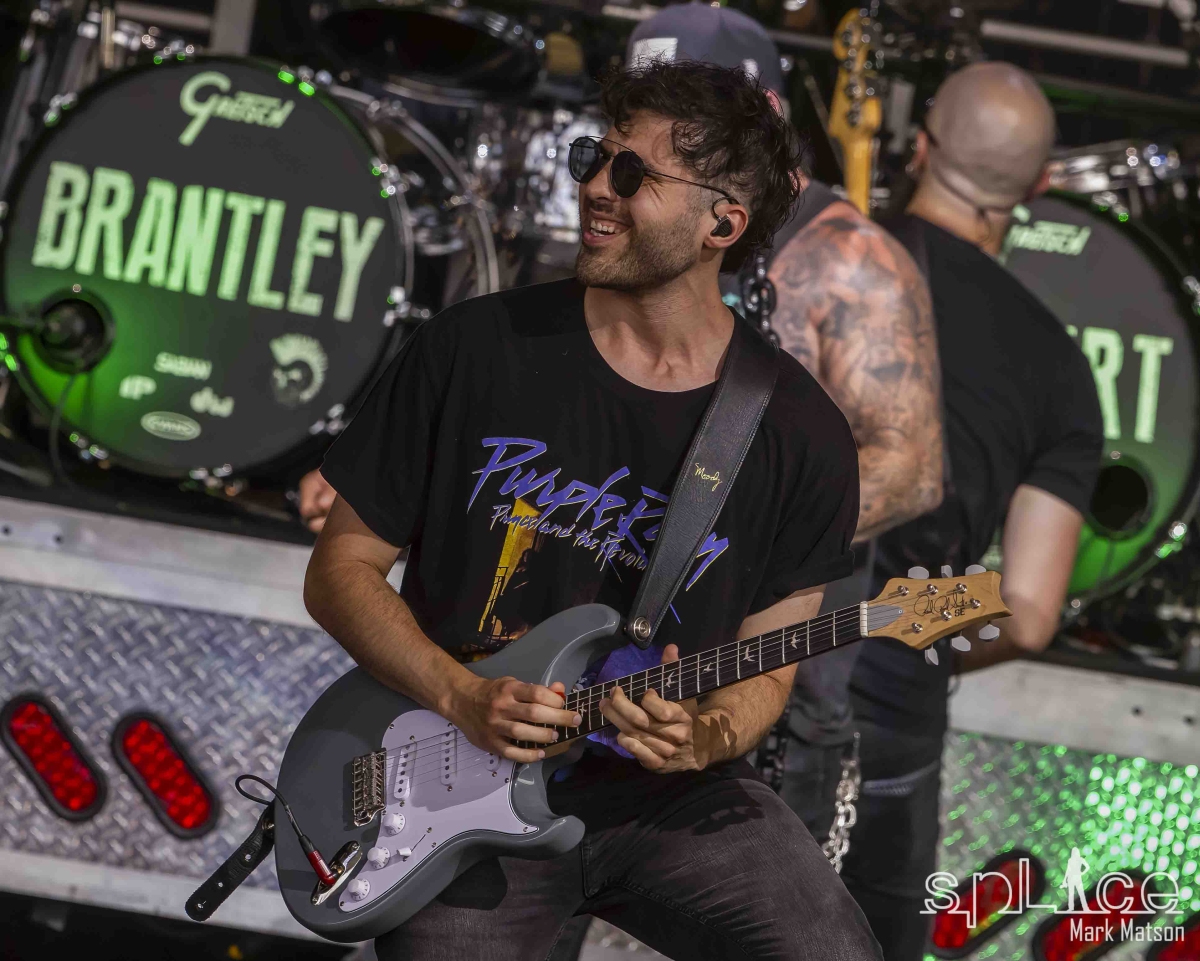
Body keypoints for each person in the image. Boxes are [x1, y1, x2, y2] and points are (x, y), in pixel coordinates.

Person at [303, 59, 882, 960]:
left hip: (665, 796)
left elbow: (768, 667)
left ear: (721, 223)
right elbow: (340, 570)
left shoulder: (800, 433)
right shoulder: (476, 347)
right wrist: (461, 694)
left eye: (632, 173)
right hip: (460, 774)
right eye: (594, 157)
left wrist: (704, 736)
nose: (596, 189)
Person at [623, 0, 943, 845]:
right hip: (606, 676)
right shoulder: (628, 233)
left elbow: (910, 467)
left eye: (685, 126)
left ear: (761, 117)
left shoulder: (850, 261)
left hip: (769, 696)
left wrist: (725, 546)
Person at [833, 62, 1104, 961]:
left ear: (920, 148)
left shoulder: (825, 266)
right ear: (1038, 185)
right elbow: (1027, 614)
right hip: (891, 708)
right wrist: (906, 638)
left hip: (736, 667)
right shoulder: (1061, 369)